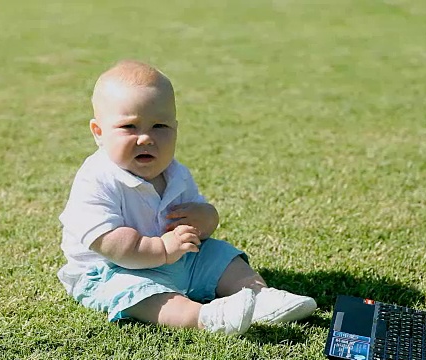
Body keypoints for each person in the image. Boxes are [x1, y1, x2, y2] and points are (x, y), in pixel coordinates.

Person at [57, 60, 317, 335]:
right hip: (113, 270)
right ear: (99, 132)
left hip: (178, 256)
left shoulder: (175, 174)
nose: (145, 138)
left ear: (175, 129)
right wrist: (163, 250)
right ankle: (205, 316)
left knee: (218, 254)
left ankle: (259, 297)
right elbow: (109, 242)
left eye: (159, 126)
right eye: (129, 127)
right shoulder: (97, 178)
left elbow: (200, 220)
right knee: (143, 295)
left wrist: (205, 218)